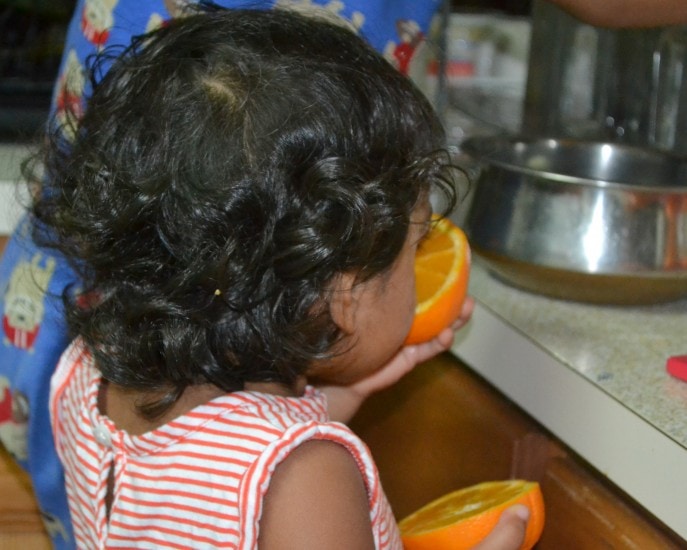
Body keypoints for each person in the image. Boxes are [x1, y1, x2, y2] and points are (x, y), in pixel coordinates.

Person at [30, 6, 529, 549]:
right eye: (416, 245)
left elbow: (217, 465)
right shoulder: (310, 479)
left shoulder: (87, 372)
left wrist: (340, 392)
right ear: (343, 291)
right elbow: (271, 475)